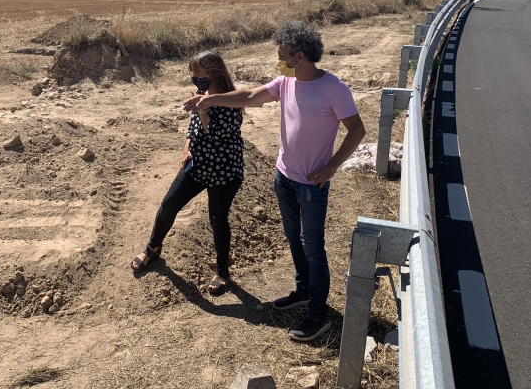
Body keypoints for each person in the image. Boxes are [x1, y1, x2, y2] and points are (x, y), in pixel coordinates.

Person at [183, 21, 365, 341]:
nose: (277, 61)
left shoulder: (334, 89)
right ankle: (303, 290)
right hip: (284, 177)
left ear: (299, 56)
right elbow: (251, 96)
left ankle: (318, 315)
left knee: (313, 247)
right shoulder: (285, 82)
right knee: (294, 239)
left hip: (312, 184)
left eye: (281, 55)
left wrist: (333, 166)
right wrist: (210, 101)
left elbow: (357, 130)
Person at [132, 50, 244, 295]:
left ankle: (222, 272)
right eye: (192, 73)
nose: (194, 78)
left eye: (198, 73)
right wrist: (186, 148)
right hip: (198, 164)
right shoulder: (201, 95)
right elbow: (193, 128)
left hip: (224, 169)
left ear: (213, 73)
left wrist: (203, 108)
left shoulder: (231, 100)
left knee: (217, 219)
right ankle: (153, 248)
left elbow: (214, 132)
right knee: (169, 205)